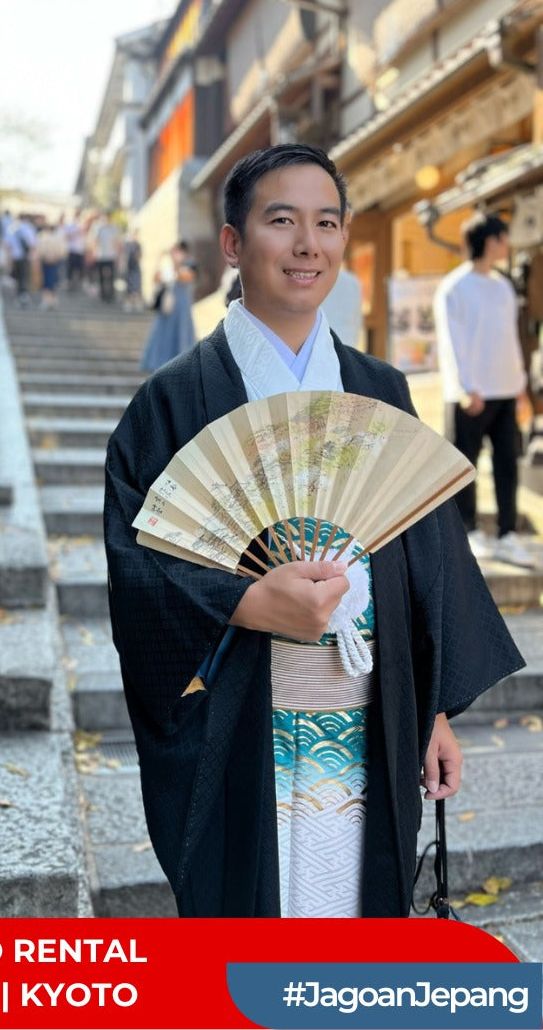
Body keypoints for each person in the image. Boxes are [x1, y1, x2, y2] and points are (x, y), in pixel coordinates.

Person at [104, 144, 524, 919]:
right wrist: (246, 603)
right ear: (233, 244)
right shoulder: (169, 403)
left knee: (354, 912)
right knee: (256, 914)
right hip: (242, 717)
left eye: (327, 223)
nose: (309, 244)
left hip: (374, 708)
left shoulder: (380, 389)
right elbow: (139, 566)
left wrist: (431, 710)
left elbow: (425, 563)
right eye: (282, 221)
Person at [433, 212, 534, 568]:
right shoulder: (454, 286)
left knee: (508, 464)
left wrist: (520, 386)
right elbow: (450, 341)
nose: (507, 245)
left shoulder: (503, 285)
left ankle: (507, 534)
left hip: (505, 389)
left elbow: (510, 338)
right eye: (504, 238)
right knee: (465, 466)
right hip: (470, 394)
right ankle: (469, 531)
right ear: (490, 241)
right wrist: (465, 386)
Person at [139, 240, 196, 371]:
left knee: (181, 336)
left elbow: (184, 277)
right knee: (161, 335)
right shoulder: (168, 266)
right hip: (168, 309)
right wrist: (160, 258)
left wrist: (175, 262)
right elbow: (156, 278)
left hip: (182, 309)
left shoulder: (190, 265)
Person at [321, 263, 363, 347]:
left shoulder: (315, 280)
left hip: (321, 346)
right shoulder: (352, 281)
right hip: (346, 346)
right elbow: (357, 322)